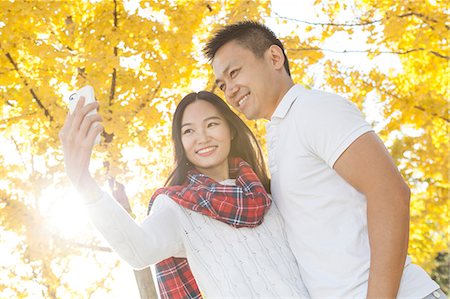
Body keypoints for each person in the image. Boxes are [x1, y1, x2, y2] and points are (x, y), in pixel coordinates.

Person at [204, 21, 445, 299]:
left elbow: (390, 193)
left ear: (274, 58)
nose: (230, 90)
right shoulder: (282, 131)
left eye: (234, 72)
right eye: (222, 85)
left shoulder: (314, 110)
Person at [59, 91, 310, 298]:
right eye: (189, 131)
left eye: (211, 124)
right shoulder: (176, 207)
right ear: (180, 142)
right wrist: (84, 184)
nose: (202, 138)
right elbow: (139, 251)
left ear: (230, 130)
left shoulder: (267, 192)